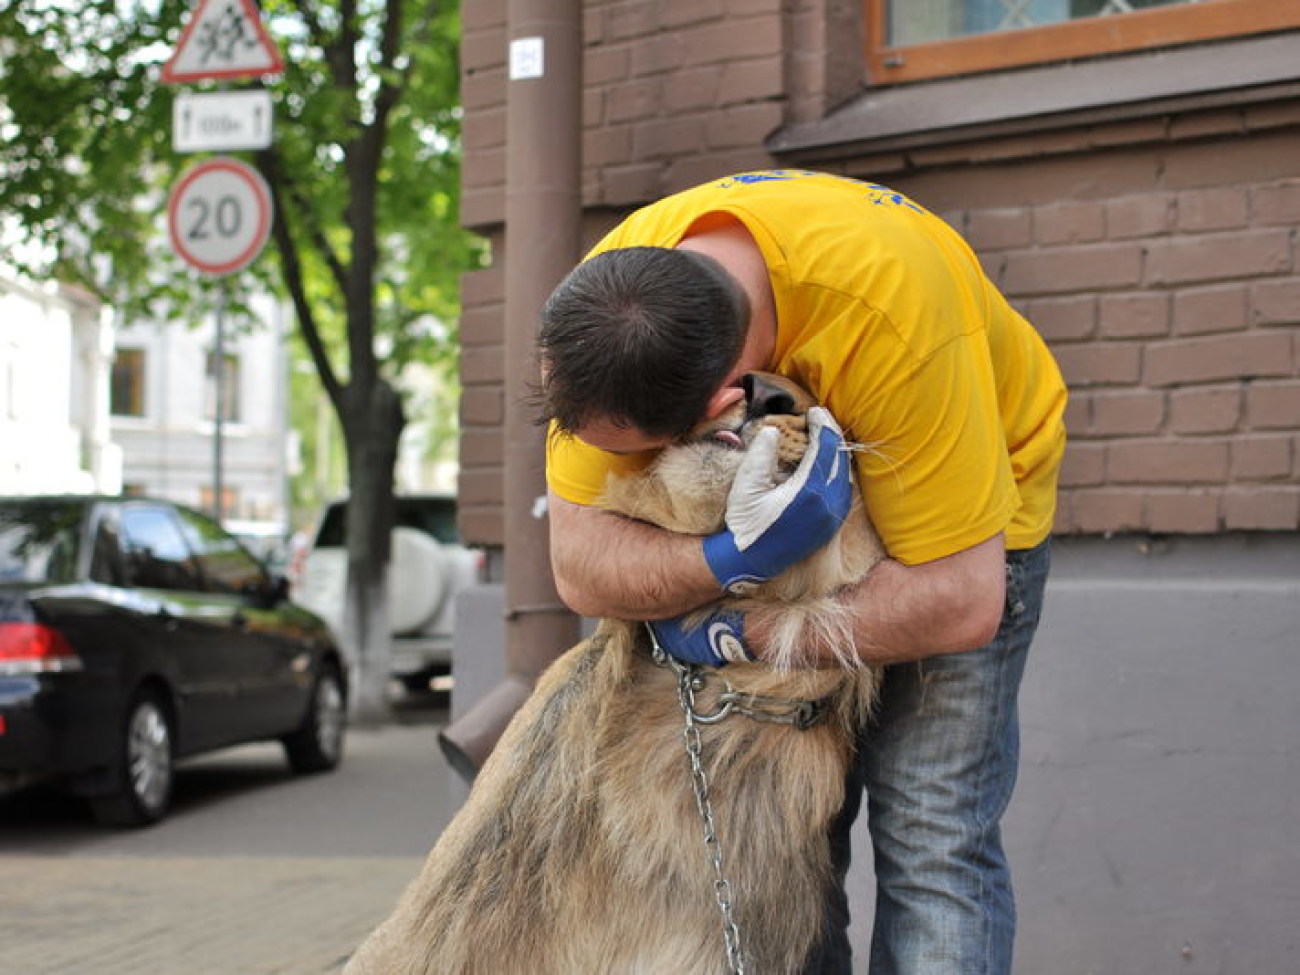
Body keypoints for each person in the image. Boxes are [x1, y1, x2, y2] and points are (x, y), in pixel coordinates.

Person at [537, 169, 1067, 975]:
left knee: (933, 837)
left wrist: (729, 626)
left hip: (960, 535)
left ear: (722, 405)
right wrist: (728, 560)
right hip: (804, 532)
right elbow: (581, 567)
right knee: (778, 843)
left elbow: (959, 603)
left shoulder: (895, 313)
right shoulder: (611, 316)